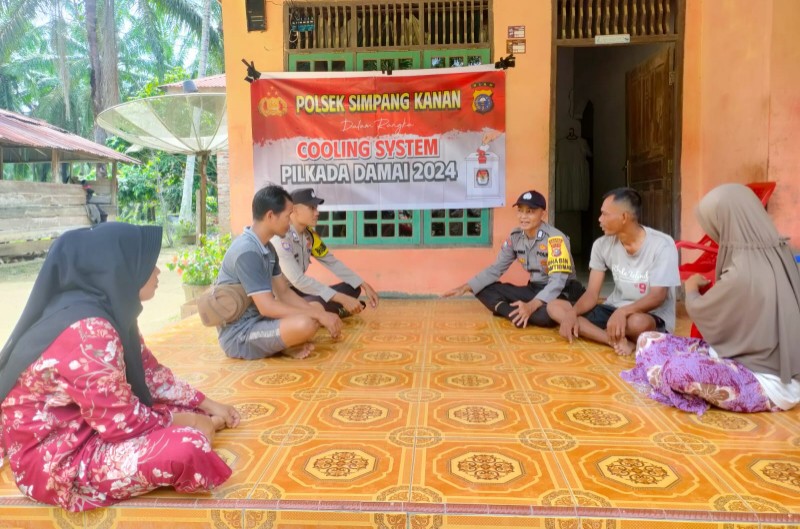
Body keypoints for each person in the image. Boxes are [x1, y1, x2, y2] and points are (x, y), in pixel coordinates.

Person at [0, 223, 239, 512]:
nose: (158, 272)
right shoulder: (89, 331)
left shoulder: (109, 309)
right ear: (122, 269)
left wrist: (210, 405)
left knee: (192, 415)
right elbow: (121, 423)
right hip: (57, 459)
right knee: (189, 444)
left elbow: (151, 375)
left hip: (88, 425)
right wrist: (193, 423)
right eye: (149, 264)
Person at [621, 183, 800, 414]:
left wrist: (692, 289)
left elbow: (703, 311)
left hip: (764, 382)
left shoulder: (743, 270)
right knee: (647, 340)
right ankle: (674, 376)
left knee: (678, 369)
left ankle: (673, 380)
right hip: (742, 356)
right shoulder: (782, 251)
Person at [216, 184, 343, 360]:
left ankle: (282, 346)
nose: (290, 221)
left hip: (260, 321)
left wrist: (319, 314)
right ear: (270, 216)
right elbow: (267, 307)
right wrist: (320, 316)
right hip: (240, 333)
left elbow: (283, 292)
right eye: (287, 215)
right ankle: (280, 345)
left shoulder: (267, 248)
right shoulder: (248, 252)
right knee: (305, 323)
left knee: (315, 307)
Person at [547, 187, 680, 354]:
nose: (600, 219)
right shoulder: (601, 245)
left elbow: (657, 297)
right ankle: (612, 340)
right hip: (613, 308)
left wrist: (623, 312)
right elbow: (592, 294)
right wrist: (572, 313)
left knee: (638, 323)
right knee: (555, 307)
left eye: (605, 214)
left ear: (624, 217)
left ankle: (616, 334)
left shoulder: (662, 245)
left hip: (649, 314)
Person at [442, 190, 585, 328]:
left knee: (546, 315)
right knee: (481, 288)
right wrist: (466, 287)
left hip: (561, 292)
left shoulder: (555, 239)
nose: (523, 216)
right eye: (520, 211)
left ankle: (519, 313)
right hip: (534, 288)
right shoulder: (515, 237)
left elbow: (557, 283)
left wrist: (531, 305)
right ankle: (520, 314)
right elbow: (496, 268)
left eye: (530, 212)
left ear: (543, 214)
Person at [271, 188, 379, 318]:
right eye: (311, 208)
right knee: (319, 303)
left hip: (301, 292)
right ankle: (328, 311)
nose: (317, 213)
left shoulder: (309, 236)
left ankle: (322, 311)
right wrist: (342, 299)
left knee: (353, 288)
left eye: (316, 208)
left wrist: (364, 284)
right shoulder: (281, 238)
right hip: (283, 296)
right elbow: (298, 280)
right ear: (294, 210)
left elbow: (332, 263)